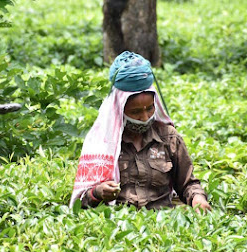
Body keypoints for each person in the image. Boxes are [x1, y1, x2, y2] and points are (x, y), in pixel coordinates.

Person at [70, 51, 211, 212]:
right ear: (120, 109)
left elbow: (188, 184)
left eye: (150, 108)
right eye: (136, 112)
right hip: (118, 224)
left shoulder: (168, 137)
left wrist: (197, 198)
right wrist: (97, 193)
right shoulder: (102, 143)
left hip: (163, 221)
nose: (145, 117)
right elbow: (82, 203)